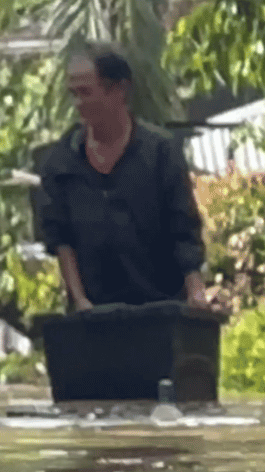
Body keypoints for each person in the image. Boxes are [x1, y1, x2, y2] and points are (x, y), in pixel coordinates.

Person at [38, 41, 210, 312]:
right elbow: (61, 240)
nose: (78, 104)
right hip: (95, 318)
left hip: (161, 310)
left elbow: (184, 228)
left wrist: (196, 291)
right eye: (73, 94)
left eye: (86, 92)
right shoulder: (61, 163)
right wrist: (80, 301)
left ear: (119, 90)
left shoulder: (160, 154)